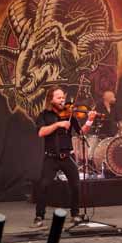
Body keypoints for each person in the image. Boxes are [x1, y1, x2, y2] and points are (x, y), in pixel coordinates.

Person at [33, 86, 96, 227]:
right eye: (59, 98)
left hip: (67, 156)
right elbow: (41, 132)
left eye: (63, 97)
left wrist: (89, 121)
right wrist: (58, 124)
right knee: (43, 185)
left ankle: (75, 214)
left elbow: (81, 132)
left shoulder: (69, 114)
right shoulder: (44, 115)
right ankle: (39, 216)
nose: (62, 100)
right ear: (51, 99)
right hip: (51, 157)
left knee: (75, 185)